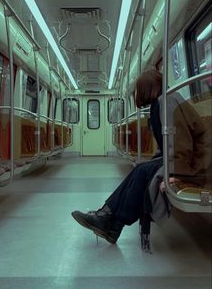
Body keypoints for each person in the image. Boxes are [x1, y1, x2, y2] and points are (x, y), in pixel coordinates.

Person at [71, 69, 211, 244]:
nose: (138, 94)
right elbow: (171, 144)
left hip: (199, 164)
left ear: (147, 87)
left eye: (138, 89)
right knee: (141, 169)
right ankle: (109, 218)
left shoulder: (167, 102)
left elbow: (182, 143)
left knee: (143, 171)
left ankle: (112, 222)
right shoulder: (161, 102)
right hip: (190, 158)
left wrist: (176, 174)